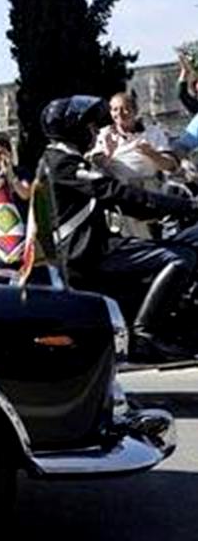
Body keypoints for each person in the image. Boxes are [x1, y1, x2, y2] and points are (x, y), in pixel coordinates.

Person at [40, 96, 198, 362]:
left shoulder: (62, 158)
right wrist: (187, 206)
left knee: (188, 240)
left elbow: (122, 200)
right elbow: (114, 192)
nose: (94, 132)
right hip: (87, 253)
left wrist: (162, 209)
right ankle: (144, 335)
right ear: (74, 130)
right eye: (90, 127)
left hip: (97, 244)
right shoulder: (62, 162)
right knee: (181, 259)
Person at [89, 91, 178, 240]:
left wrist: (151, 154)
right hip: (122, 200)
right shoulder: (104, 136)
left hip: (151, 197)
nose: (120, 113)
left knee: (156, 242)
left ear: (135, 111)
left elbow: (171, 166)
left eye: (125, 108)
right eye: (115, 109)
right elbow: (96, 169)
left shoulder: (153, 133)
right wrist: (109, 152)